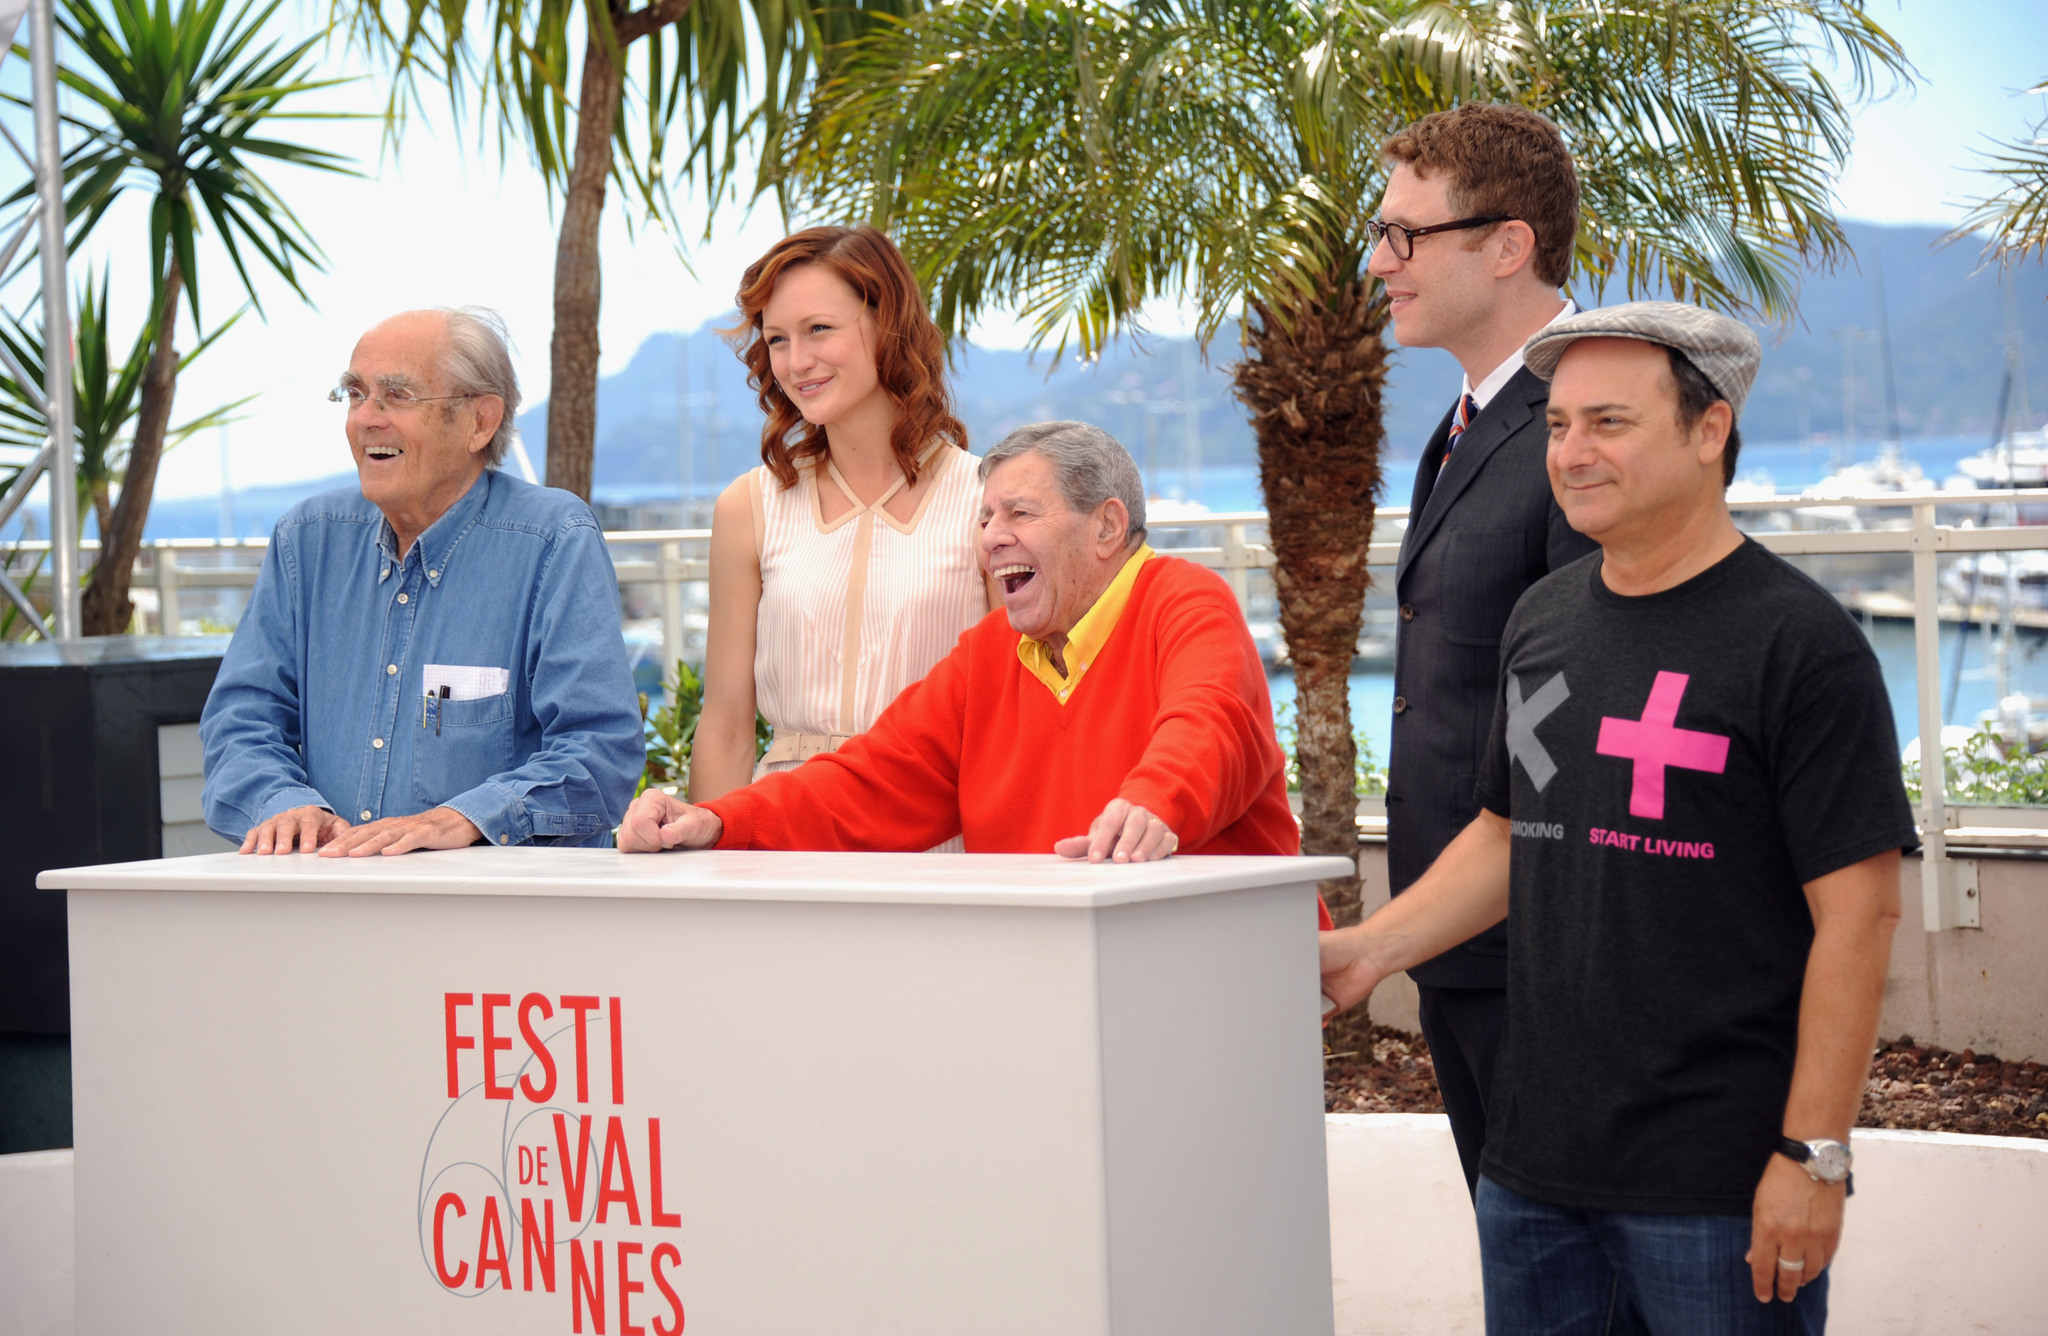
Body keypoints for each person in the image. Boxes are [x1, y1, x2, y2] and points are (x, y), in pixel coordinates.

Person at [1319, 302, 1917, 1336]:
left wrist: (1812, 1156)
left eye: (1608, 423)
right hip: (1530, 1168)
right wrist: (1367, 953)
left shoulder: (1798, 646)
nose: (1571, 454)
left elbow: (1857, 916)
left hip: (1716, 1181)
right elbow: (1511, 834)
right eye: (1554, 426)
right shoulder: (1541, 620)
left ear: (1707, 430)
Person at [617, 422, 1325, 913]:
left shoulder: (1185, 597)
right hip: (1048, 971)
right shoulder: (988, 655)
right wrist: (713, 820)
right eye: (984, 518)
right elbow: (864, 783)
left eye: (1019, 512)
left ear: (1107, 526)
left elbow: (1210, 724)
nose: (992, 537)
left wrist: (1153, 803)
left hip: (1214, 956)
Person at [1370, 102, 1597, 1198]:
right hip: (1461, 943)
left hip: (1543, 950)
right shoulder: (1466, 422)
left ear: (1506, 246)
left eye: (1404, 235)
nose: (1379, 265)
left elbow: (1573, 704)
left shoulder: (1579, 425)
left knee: (1571, 1286)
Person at [200, 307, 642, 855]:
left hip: (503, 917)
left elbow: (600, 752)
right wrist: (284, 804)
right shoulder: (308, 540)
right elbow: (240, 723)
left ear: (479, 422)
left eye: (398, 396)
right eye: (356, 393)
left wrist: (466, 818)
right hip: (331, 905)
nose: (367, 417)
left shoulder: (553, 540)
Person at [690, 225, 997, 824]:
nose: (796, 362)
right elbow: (726, 724)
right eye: (777, 339)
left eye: (819, 330)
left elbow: (1016, 713)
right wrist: (710, 869)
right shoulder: (747, 508)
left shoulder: (987, 498)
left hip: (934, 834)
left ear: (889, 324)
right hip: (787, 833)